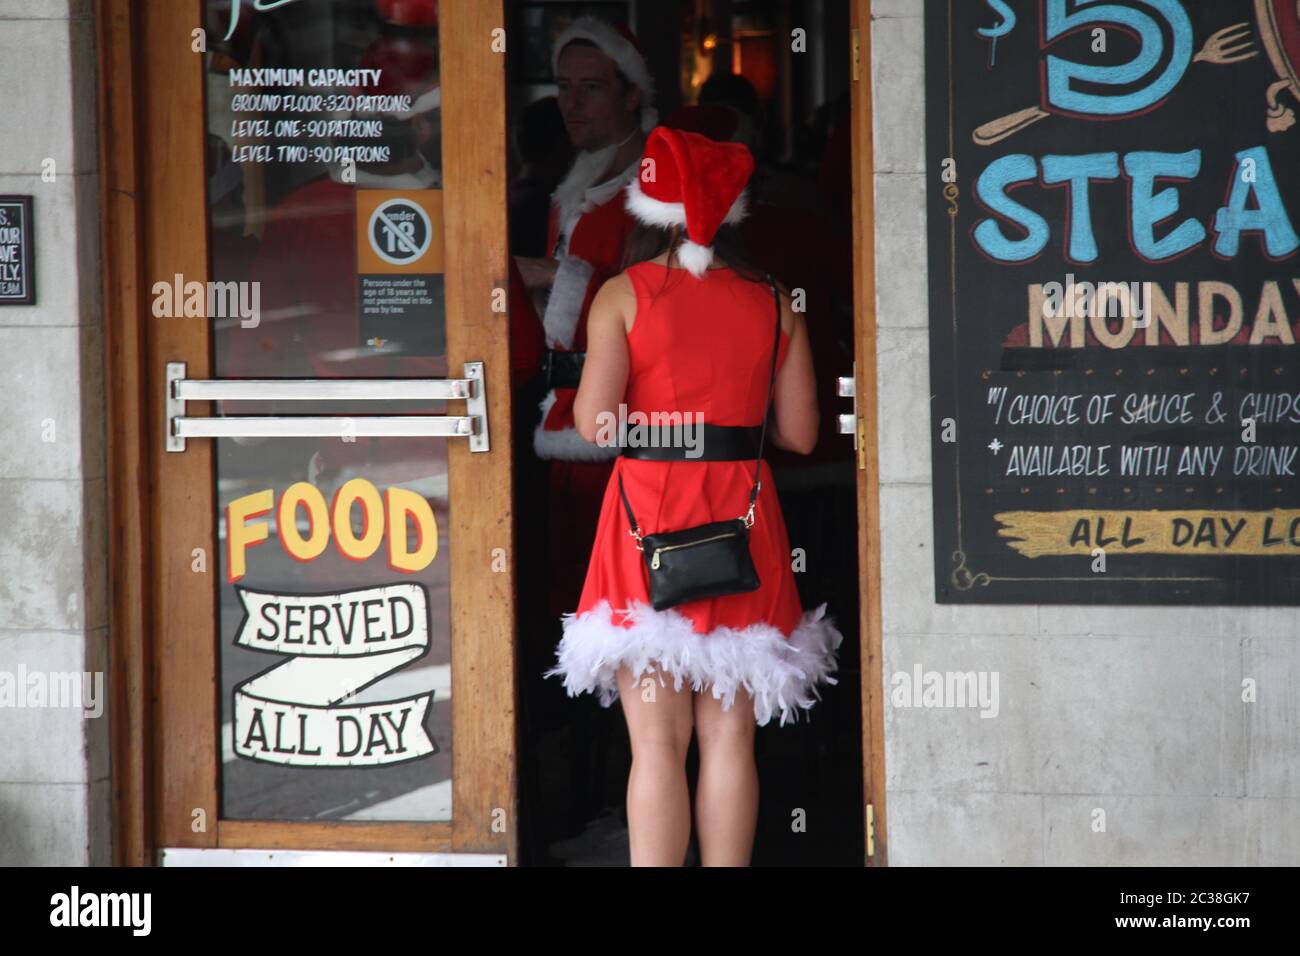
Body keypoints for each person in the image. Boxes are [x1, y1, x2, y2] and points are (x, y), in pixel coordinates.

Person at [543, 126, 845, 866]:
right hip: (744, 520)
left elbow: (595, 423)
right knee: (730, 738)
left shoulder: (623, 294)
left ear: (650, 205)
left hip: (645, 519)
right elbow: (801, 434)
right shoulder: (774, 300)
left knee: (655, 743)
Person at [514, 16, 659, 622]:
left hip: (630, 410)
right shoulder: (574, 181)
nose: (570, 103)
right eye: (563, 86)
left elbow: (661, 297)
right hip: (563, 407)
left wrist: (549, 275)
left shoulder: (653, 179)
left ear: (631, 93)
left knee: (623, 591)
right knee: (571, 577)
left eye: (591, 87)